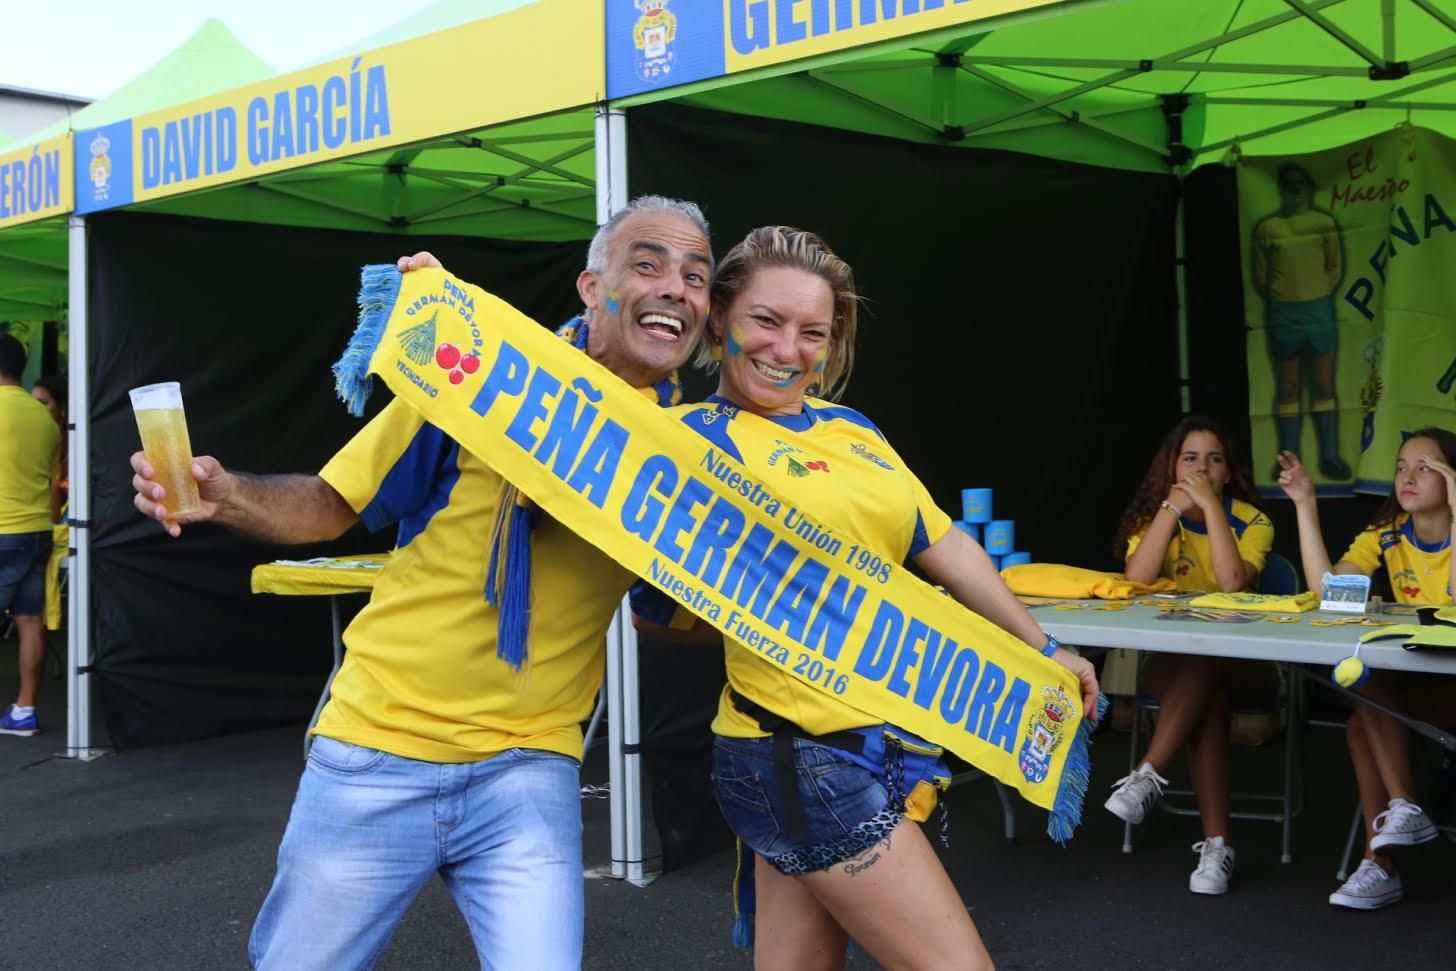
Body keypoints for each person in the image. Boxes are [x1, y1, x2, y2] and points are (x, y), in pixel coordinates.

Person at [130, 196, 713, 969]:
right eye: (648, 264)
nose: (676, 287)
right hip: (378, 748)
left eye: (697, 276)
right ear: (589, 284)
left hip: (529, 771)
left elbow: (660, 613)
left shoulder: (683, 456)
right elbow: (333, 505)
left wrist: (776, 613)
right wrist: (228, 492)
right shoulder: (478, 375)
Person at [635, 226, 1099, 970]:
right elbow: (650, 611)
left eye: (811, 331)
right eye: (766, 320)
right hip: (796, 751)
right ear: (718, 315)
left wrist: (1044, 647)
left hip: (866, 742)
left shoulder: (854, 431)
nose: (787, 349)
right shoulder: (683, 441)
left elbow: (945, 545)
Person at [1278, 431, 1456, 910]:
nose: (1408, 477)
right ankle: (1393, 833)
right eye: (1401, 466)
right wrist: (1305, 504)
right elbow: (1328, 595)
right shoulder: (1388, 533)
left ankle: (1386, 852)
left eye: (1427, 467)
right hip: (1422, 680)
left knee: (1366, 715)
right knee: (1365, 701)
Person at [1104, 417, 1274, 895]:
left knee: (1209, 652)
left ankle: (1148, 773)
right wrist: (1169, 512)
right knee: (1208, 702)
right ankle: (1217, 846)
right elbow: (1135, 579)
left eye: (1214, 459)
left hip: (1247, 661)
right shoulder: (1158, 516)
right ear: (1173, 466)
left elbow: (1231, 585)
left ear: (1228, 471)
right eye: (1191, 458)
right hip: (1175, 665)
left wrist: (1211, 510)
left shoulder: (1253, 520)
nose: (1202, 468)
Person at [1251, 162, 1350, 480]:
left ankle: (1330, 456)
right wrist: (1284, 296)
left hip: (1319, 310)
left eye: (1300, 183)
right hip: (1283, 313)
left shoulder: (1324, 222)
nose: (1294, 189)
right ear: (1280, 188)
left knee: (1323, 384)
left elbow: (1335, 267)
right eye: (1288, 183)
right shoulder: (1268, 227)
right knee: (1288, 387)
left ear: (1308, 188)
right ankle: (1288, 461)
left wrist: (1317, 291)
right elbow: (1260, 274)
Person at [0, 335, 59, 737]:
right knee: (29, 620)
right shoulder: (44, 417)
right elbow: (54, 482)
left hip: (3, 530)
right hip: (39, 529)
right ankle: (25, 710)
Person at [30, 374, 67, 526]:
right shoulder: (29, 440)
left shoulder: (75, 446)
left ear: (63, 408)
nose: (35, 409)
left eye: (42, 403)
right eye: (31, 403)